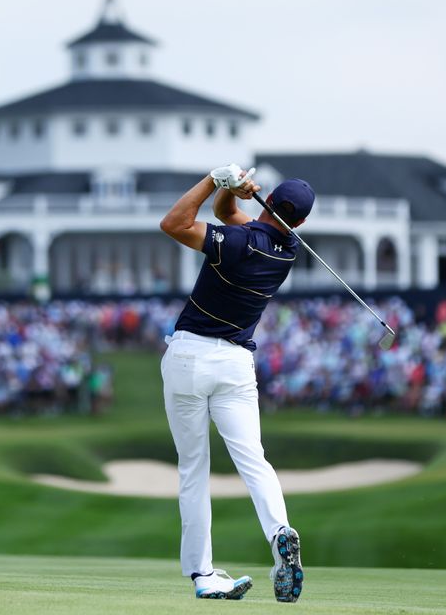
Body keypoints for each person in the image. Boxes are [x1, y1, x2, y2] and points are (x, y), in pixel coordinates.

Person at [158, 164, 312, 603]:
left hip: (190, 357)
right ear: (298, 221)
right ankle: (280, 531)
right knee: (254, 461)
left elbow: (173, 224)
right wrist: (233, 191)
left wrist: (212, 179)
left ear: (269, 202)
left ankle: (203, 574)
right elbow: (231, 215)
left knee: (193, 468)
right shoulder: (287, 248)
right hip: (236, 367)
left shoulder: (240, 242)